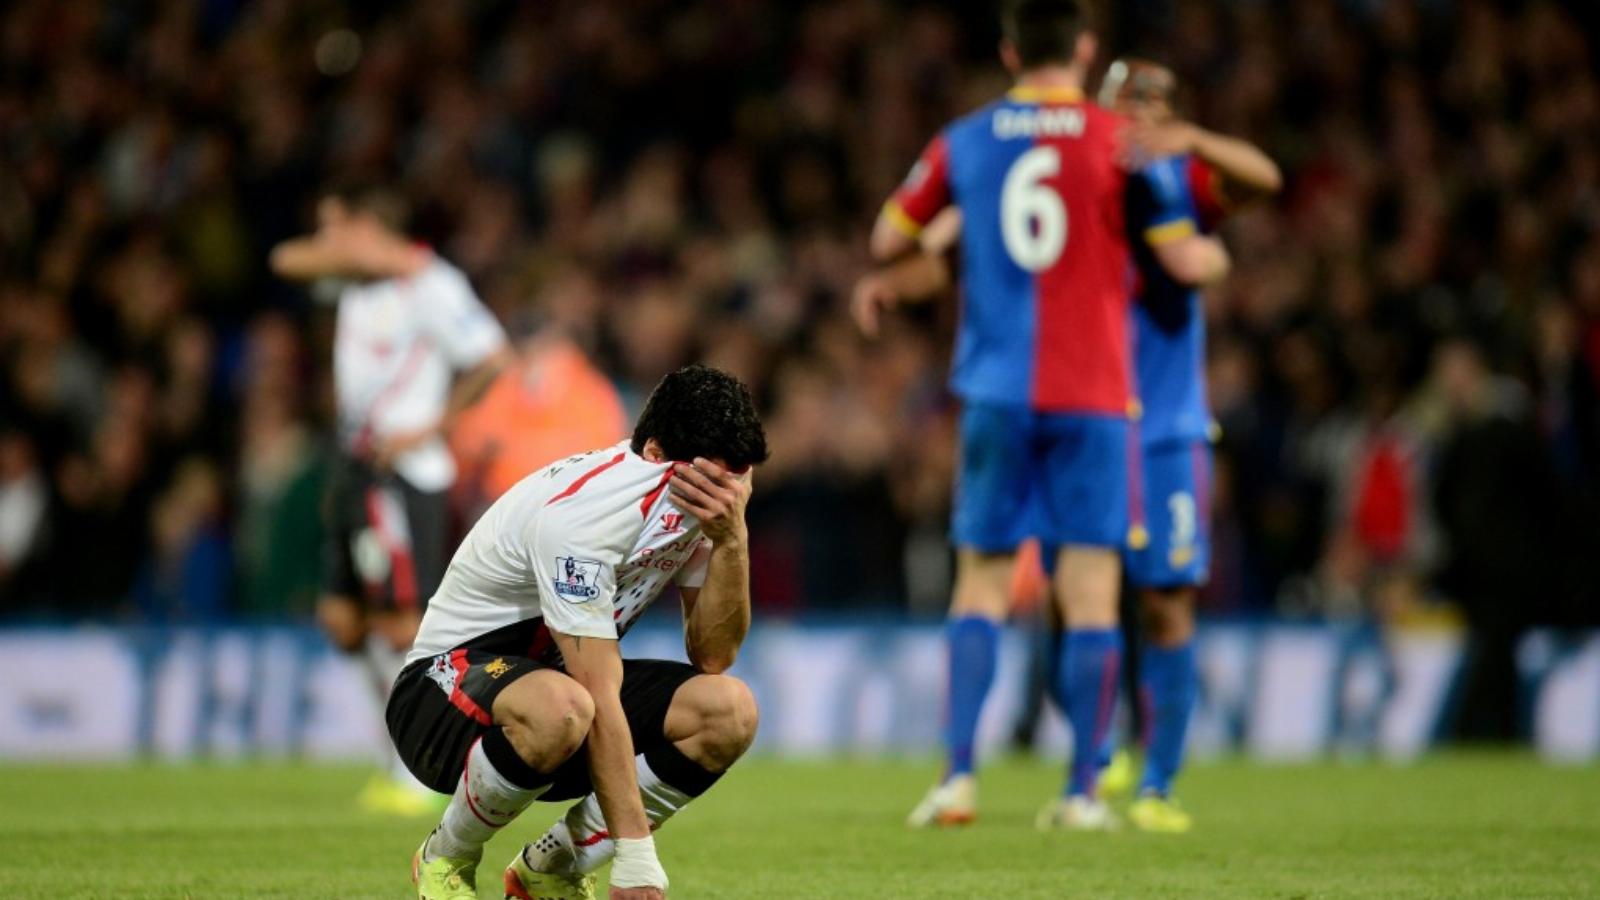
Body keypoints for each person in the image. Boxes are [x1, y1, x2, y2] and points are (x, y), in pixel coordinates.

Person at [858, 56, 1281, 832]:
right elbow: (948, 251)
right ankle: (1094, 761)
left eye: (1158, 104)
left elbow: (1261, 178)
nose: (1141, 115)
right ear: (1102, 105)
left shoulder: (1175, 178)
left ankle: (1154, 783)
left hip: (1161, 426)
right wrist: (896, 287)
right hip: (1086, 414)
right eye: (1129, 102)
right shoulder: (1098, 164)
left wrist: (1195, 147)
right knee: (1072, 599)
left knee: (1163, 602)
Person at [389, 365, 767, 900]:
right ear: (656, 453)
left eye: (740, 478)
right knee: (565, 705)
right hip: (440, 700)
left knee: (728, 712)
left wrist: (732, 541)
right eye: (713, 479)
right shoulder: (586, 516)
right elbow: (595, 690)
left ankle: (554, 864)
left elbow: (713, 654)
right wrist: (636, 858)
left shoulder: (700, 502)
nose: (725, 495)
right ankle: (446, 857)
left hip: (560, 695)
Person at [270, 179, 512, 814]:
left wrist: (428, 428)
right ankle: (394, 753)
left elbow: (491, 356)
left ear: (368, 230)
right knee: (342, 621)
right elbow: (285, 260)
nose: (325, 245)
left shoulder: (434, 286)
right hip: (354, 469)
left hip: (402, 478)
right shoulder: (358, 280)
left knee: (401, 620)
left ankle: (423, 766)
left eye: (336, 230)